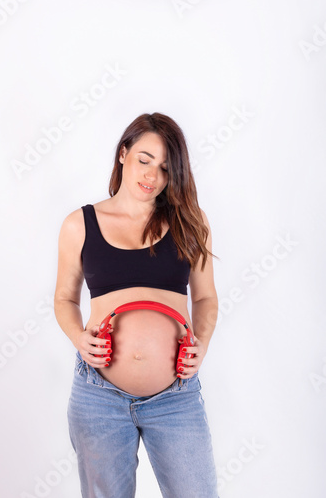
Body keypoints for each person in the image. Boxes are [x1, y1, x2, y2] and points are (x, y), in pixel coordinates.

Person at [54, 112, 220, 498]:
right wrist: (79, 337)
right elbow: (64, 299)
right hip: (99, 396)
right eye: (145, 159)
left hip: (176, 397)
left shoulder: (190, 222)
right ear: (123, 154)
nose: (152, 176)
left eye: (164, 168)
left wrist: (204, 345)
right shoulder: (79, 224)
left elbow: (206, 296)